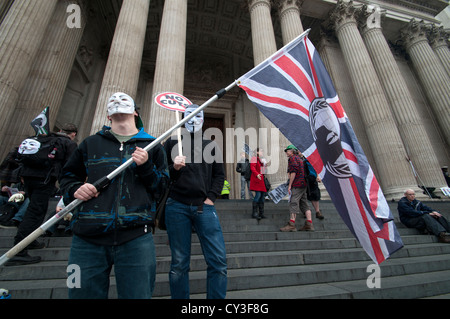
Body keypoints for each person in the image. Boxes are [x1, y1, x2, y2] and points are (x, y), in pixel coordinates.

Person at [59, 92, 169, 299]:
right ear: (108, 116)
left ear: (135, 112)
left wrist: (146, 167)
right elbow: (66, 176)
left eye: (123, 100)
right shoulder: (89, 143)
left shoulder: (153, 146)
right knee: (79, 294)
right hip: (86, 238)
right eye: (112, 102)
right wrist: (74, 189)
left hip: (136, 236)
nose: (117, 101)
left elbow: (161, 188)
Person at [163, 104, 227, 299]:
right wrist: (174, 168)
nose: (193, 119)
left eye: (198, 115)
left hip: (204, 207)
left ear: (203, 119)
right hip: (176, 206)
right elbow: (161, 174)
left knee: (218, 261)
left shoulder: (211, 145)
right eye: (189, 115)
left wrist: (211, 198)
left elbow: (219, 175)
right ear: (182, 117)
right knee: (179, 263)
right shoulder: (171, 143)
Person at [5, 123, 77, 266]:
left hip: (27, 178)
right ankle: (19, 250)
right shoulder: (67, 143)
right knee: (35, 212)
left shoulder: (44, 139)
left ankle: (29, 240)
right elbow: (71, 166)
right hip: (44, 180)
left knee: (33, 209)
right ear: (73, 134)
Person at [280, 145, 314, 232]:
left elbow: (293, 172)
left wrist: (290, 185)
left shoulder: (292, 159)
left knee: (293, 202)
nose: (286, 152)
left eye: (287, 151)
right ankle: (309, 223)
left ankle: (291, 224)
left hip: (297, 184)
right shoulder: (299, 158)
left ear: (291, 151)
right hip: (303, 184)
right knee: (304, 203)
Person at [300, 151, 324, 220]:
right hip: (302, 180)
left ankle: (317, 211)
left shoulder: (311, 157)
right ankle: (306, 212)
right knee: (303, 196)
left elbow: (316, 167)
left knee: (315, 195)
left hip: (311, 179)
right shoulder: (298, 158)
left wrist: (318, 176)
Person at [250, 148, 267, 220]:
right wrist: (257, 174)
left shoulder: (261, 160)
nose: (262, 152)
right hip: (257, 179)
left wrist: (264, 165)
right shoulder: (254, 158)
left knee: (262, 196)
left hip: (261, 180)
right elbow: (252, 167)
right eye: (261, 151)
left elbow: (263, 171)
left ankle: (261, 213)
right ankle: (254, 213)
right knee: (258, 195)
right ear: (257, 152)